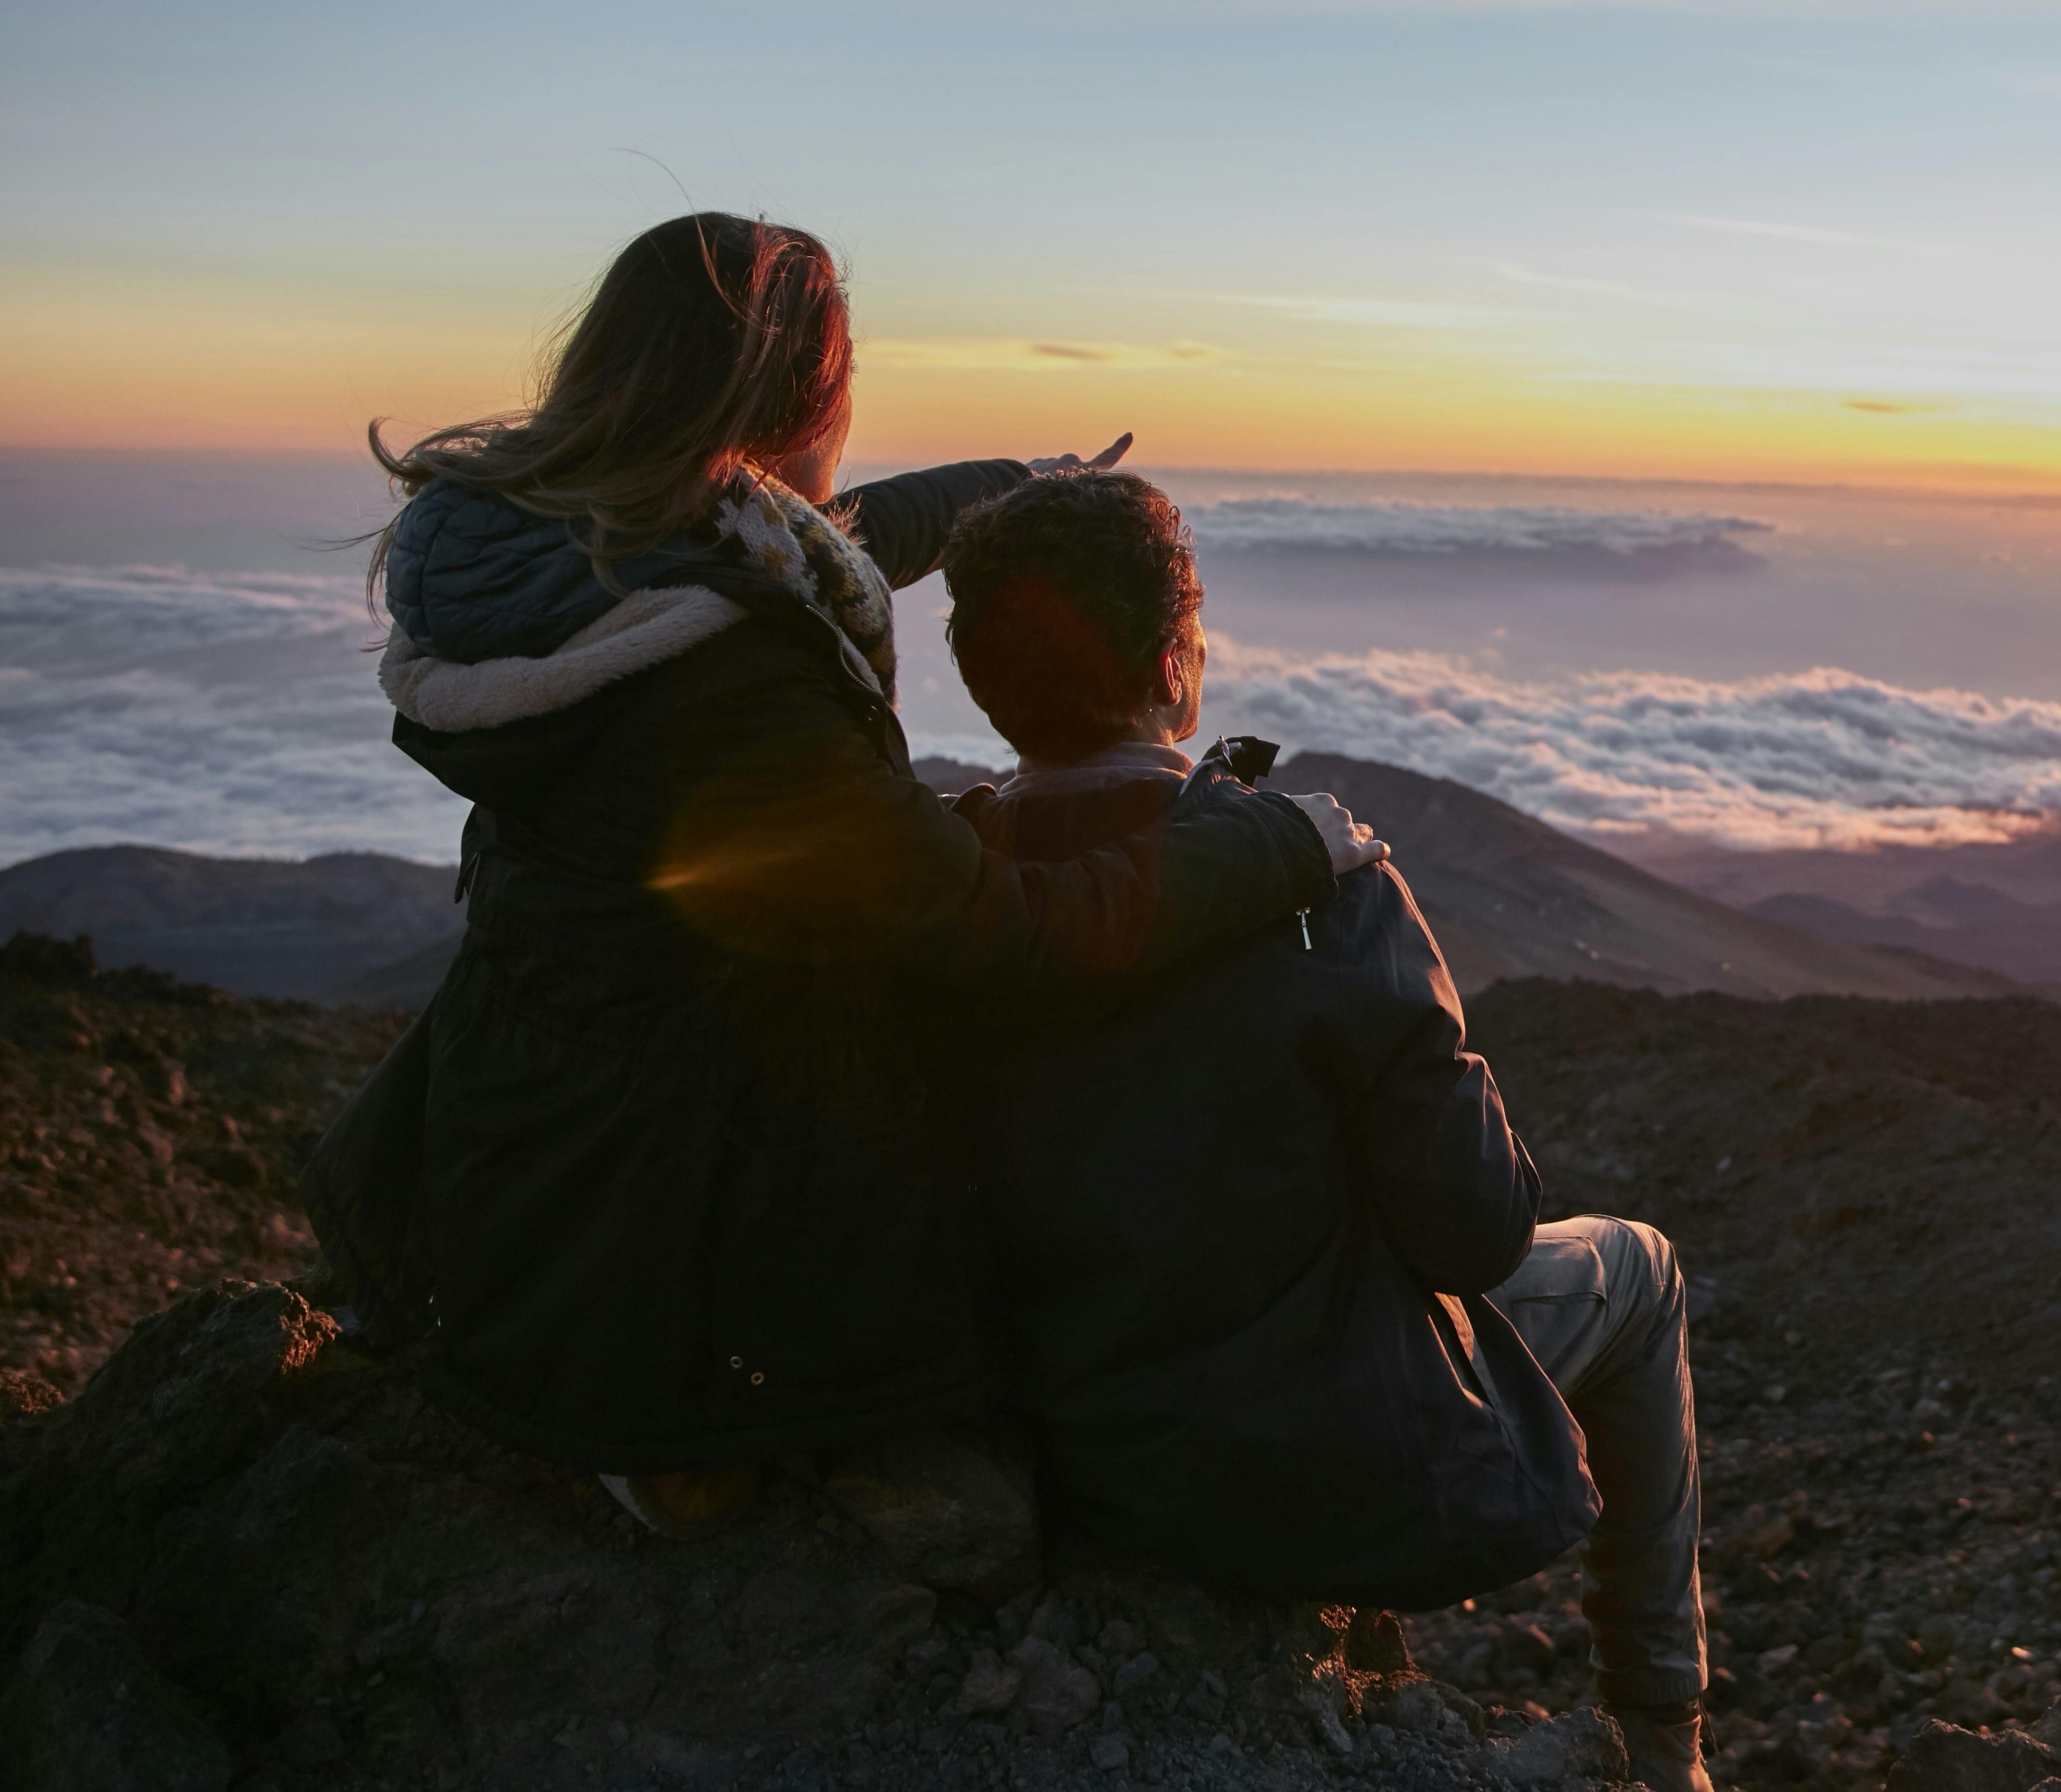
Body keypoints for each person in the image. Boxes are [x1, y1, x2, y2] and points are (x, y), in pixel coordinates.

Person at [299, 213, 1385, 1530]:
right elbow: (1007, 935)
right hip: (664, 1253)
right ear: (792, 400)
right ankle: (708, 1437)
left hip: (523, 1159)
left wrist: (1017, 484)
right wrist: (1277, 841)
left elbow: (811, 535)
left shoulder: (539, 562)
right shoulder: (731, 683)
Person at [941, 473, 1714, 1792]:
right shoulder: (1320, 890)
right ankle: (1664, 1737)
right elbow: (1475, 1231)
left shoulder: (943, 888)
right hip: (1301, 1455)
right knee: (1638, 1269)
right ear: (1177, 664)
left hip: (1061, 1440)